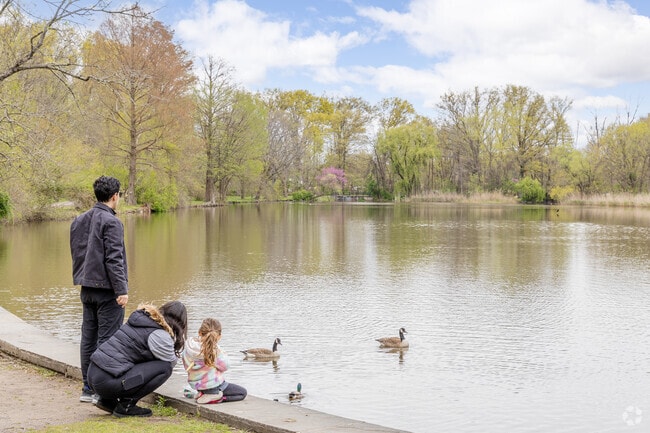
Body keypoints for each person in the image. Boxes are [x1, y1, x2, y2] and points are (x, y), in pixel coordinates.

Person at [70, 175, 129, 403]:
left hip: (86, 289)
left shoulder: (79, 220)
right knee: (109, 340)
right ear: (115, 196)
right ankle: (103, 392)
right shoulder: (112, 221)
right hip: (107, 291)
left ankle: (88, 388)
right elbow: (114, 259)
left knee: (88, 339)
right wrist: (121, 289)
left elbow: (78, 254)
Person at [87, 301, 188, 417]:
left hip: (93, 374)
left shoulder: (142, 320)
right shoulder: (160, 335)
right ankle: (126, 406)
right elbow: (171, 362)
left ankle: (107, 401)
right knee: (164, 368)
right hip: (107, 383)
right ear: (180, 322)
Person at [182, 318, 247, 404]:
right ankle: (215, 397)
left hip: (197, 385)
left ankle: (202, 394)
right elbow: (225, 366)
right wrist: (221, 351)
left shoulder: (189, 347)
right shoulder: (214, 351)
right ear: (219, 336)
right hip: (213, 386)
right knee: (242, 392)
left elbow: (186, 365)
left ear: (199, 332)